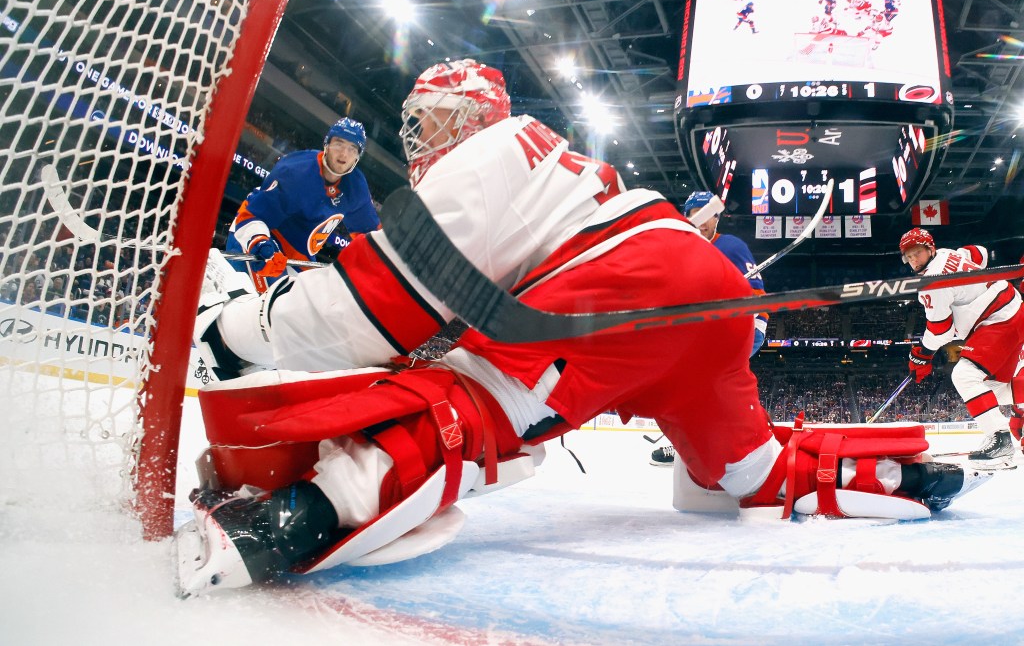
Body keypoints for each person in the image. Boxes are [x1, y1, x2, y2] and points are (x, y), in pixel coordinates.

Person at [174, 60, 993, 598]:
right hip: (698, 295)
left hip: (629, 287)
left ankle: (292, 521)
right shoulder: (542, 158)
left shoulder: (488, 153)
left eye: (428, 119)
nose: (418, 138)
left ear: (467, 116)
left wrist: (240, 328)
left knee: (474, 403)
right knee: (753, 475)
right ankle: (900, 479)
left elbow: (379, 303)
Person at [650, 190, 770, 466]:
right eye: (694, 214)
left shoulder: (730, 246)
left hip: (733, 331)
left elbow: (757, 296)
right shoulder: (680, 251)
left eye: (708, 215)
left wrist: (753, 331)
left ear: (717, 218)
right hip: (698, 335)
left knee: (701, 386)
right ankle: (708, 445)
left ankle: (740, 446)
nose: (701, 221)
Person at [900, 227, 1024, 465]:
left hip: (999, 320)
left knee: (965, 375)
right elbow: (980, 253)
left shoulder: (931, 283)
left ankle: (1000, 441)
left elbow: (941, 331)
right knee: (993, 390)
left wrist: (921, 354)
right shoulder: (949, 253)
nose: (913, 260)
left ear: (930, 248)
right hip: (1013, 308)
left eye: (917, 253)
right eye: (908, 256)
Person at [225, 118, 381, 292]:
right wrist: (261, 245)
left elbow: (370, 236)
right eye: (339, 144)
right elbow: (252, 215)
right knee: (260, 311)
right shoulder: (295, 171)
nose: (344, 154)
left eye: (352, 149)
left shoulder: (356, 186)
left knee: (310, 312)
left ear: (357, 157)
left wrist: (384, 265)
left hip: (301, 257)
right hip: (260, 237)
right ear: (327, 144)